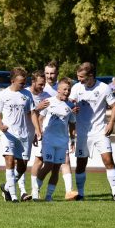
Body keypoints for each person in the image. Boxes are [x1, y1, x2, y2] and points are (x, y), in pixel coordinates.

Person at [69, 62, 115, 201]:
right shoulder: (76, 88)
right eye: (78, 77)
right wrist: (71, 109)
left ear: (91, 75)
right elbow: (68, 104)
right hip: (82, 133)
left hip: (100, 131)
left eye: (82, 77)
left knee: (108, 160)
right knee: (81, 163)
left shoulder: (104, 88)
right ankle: (80, 194)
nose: (79, 80)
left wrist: (111, 123)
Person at [0, 67, 41, 203]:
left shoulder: (27, 94)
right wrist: (1, 126)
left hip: (23, 134)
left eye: (24, 82)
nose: (23, 85)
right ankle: (14, 196)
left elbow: (32, 113)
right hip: (8, 134)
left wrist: (37, 130)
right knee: (9, 159)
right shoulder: (3, 95)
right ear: (12, 80)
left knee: (22, 166)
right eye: (20, 82)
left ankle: (7, 187)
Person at [34, 78, 76, 201]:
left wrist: (72, 140)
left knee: (56, 168)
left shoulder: (71, 106)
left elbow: (72, 124)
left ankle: (49, 196)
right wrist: (39, 131)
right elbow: (40, 119)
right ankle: (35, 190)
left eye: (69, 89)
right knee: (48, 165)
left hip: (62, 141)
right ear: (58, 89)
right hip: (48, 140)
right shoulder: (49, 102)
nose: (67, 91)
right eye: (64, 89)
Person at [43, 60, 78, 200]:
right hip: (45, 133)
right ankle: (32, 190)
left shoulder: (64, 87)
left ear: (57, 74)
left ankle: (69, 191)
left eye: (52, 73)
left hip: (60, 134)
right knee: (42, 164)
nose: (49, 76)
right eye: (47, 73)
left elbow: (70, 104)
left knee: (64, 161)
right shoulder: (41, 88)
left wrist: (73, 108)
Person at [16, 70, 51, 201]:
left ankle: (33, 191)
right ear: (33, 82)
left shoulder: (46, 95)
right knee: (21, 162)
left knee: (38, 161)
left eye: (44, 84)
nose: (42, 87)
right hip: (20, 132)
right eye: (40, 84)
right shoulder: (24, 93)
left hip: (35, 133)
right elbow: (24, 113)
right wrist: (37, 107)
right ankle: (22, 192)